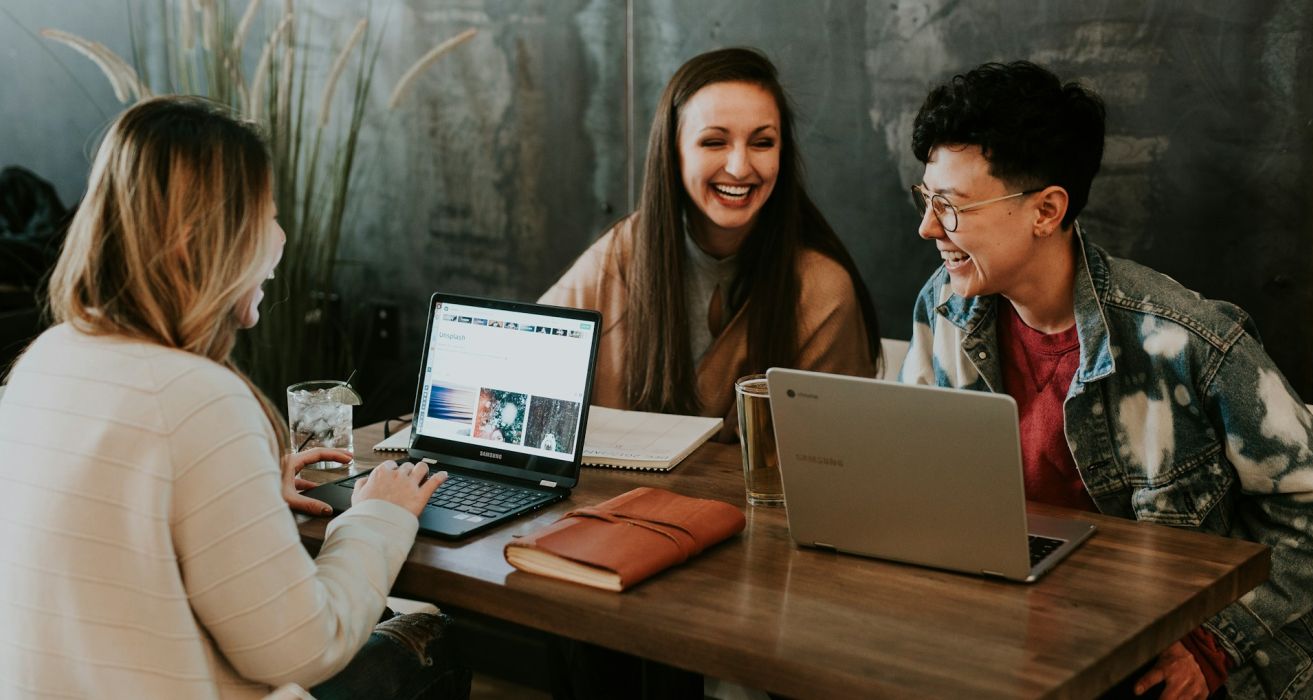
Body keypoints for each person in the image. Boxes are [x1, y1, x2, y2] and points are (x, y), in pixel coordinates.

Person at [0, 96, 470, 699]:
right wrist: (380, 516)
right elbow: (304, 649)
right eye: (265, 216)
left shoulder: (44, 361)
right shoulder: (197, 398)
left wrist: (244, 495)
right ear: (198, 241)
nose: (279, 238)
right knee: (434, 641)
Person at [899, 61, 1313, 700]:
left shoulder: (1187, 342)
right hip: (1015, 639)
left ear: (1046, 210)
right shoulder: (945, 306)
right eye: (925, 199)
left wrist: (1214, 646)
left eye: (951, 207)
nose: (929, 228)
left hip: (1161, 658)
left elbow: (1311, 511)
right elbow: (920, 483)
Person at [540, 47, 879, 441]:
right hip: (613, 502)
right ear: (674, 152)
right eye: (714, 142)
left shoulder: (823, 289)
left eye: (762, 143)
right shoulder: (622, 253)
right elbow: (524, 361)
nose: (739, 167)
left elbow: (838, 456)